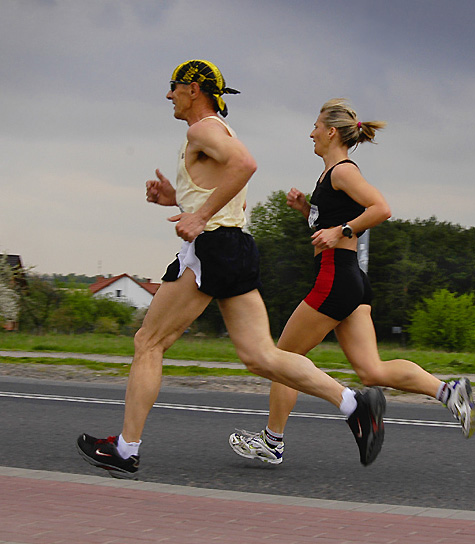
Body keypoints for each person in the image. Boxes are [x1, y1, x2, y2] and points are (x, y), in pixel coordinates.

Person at [76, 61, 386, 478]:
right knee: (261, 356)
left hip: (212, 247)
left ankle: (126, 449)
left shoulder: (201, 130)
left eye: (173, 87)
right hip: (235, 245)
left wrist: (199, 215)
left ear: (193, 89)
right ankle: (353, 404)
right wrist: (178, 199)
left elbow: (245, 166)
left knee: (148, 341)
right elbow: (226, 181)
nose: (168, 96)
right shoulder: (218, 131)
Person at [228, 98, 475, 465]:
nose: (310, 132)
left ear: (331, 132)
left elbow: (380, 208)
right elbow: (330, 222)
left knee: (282, 359)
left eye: (315, 126)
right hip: (351, 280)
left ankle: (272, 441)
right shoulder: (330, 176)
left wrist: (341, 229)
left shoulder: (343, 171)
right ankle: (448, 391)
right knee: (371, 370)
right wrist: (307, 210)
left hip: (335, 276)